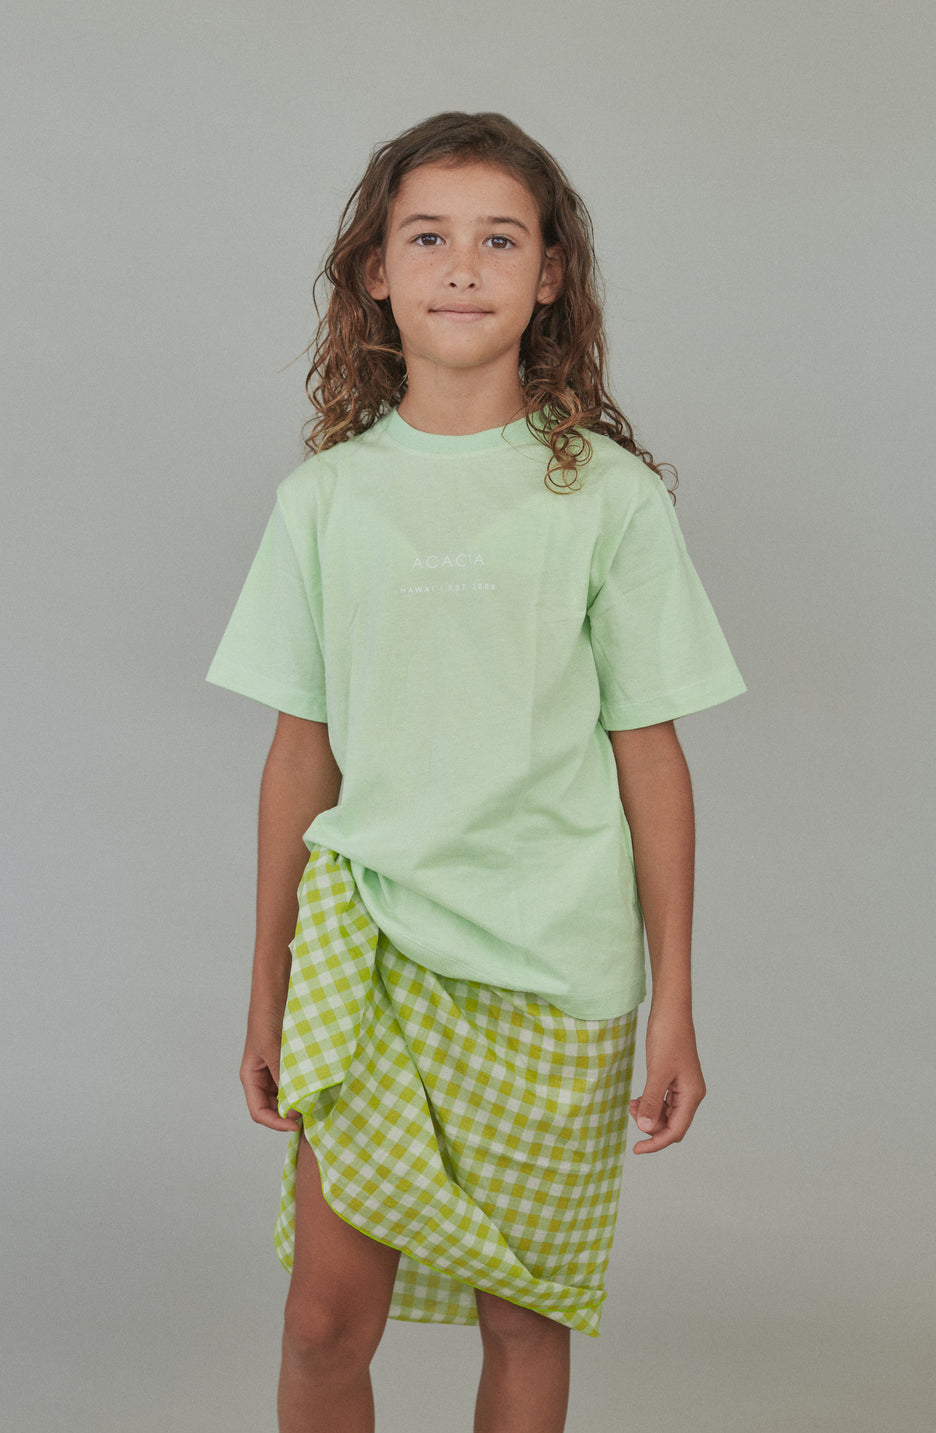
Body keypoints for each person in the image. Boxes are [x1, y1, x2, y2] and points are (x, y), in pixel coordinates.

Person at [207, 111, 745, 1433]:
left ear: (551, 274)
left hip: (556, 965)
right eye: (427, 238)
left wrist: (676, 1000)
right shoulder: (325, 501)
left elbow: (653, 756)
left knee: (524, 1315)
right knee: (324, 1320)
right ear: (375, 272)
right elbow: (297, 754)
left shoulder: (609, 498)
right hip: (370, 950)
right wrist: (265, 982)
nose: (462, 266)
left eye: (500, 240)